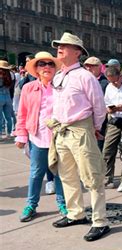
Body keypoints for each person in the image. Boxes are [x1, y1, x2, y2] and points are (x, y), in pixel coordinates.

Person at [48, 32, 109, 241]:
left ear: (78, 52)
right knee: (67, 174)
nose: (60, 48)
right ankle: (75, 213)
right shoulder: (58, 75)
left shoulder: (85, 76)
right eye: (59, 45)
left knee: (92, 176)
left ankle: (100, 221)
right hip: (62, 130)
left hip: (81, 129)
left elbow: (99, 106)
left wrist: (96, 127)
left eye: (65, 45)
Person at [13, 52, 67, 222]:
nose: (46, 67)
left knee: (60, 173)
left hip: (59, 137)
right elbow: (22, 114)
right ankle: (31, 205)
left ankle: (62, 203)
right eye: (42, 64)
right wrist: (21, 135)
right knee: (36, 173)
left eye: (50, 64)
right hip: (37, 136)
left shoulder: (61, 87)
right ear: (36, 69)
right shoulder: (29, 88)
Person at [84, 56, 109, 151]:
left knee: (98, 148)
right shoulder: (83, 80)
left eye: (92, 66)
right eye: (87, 66)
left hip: (100, 120)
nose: (89, 68)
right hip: (86, 119)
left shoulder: (105, 82)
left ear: (99, 67)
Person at [0, 60, 14, 140]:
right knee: (8, 117)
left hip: (0, 97)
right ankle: (9, 133)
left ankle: (0, 134)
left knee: (0, 117)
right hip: (8, 97)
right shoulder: (10, 75)